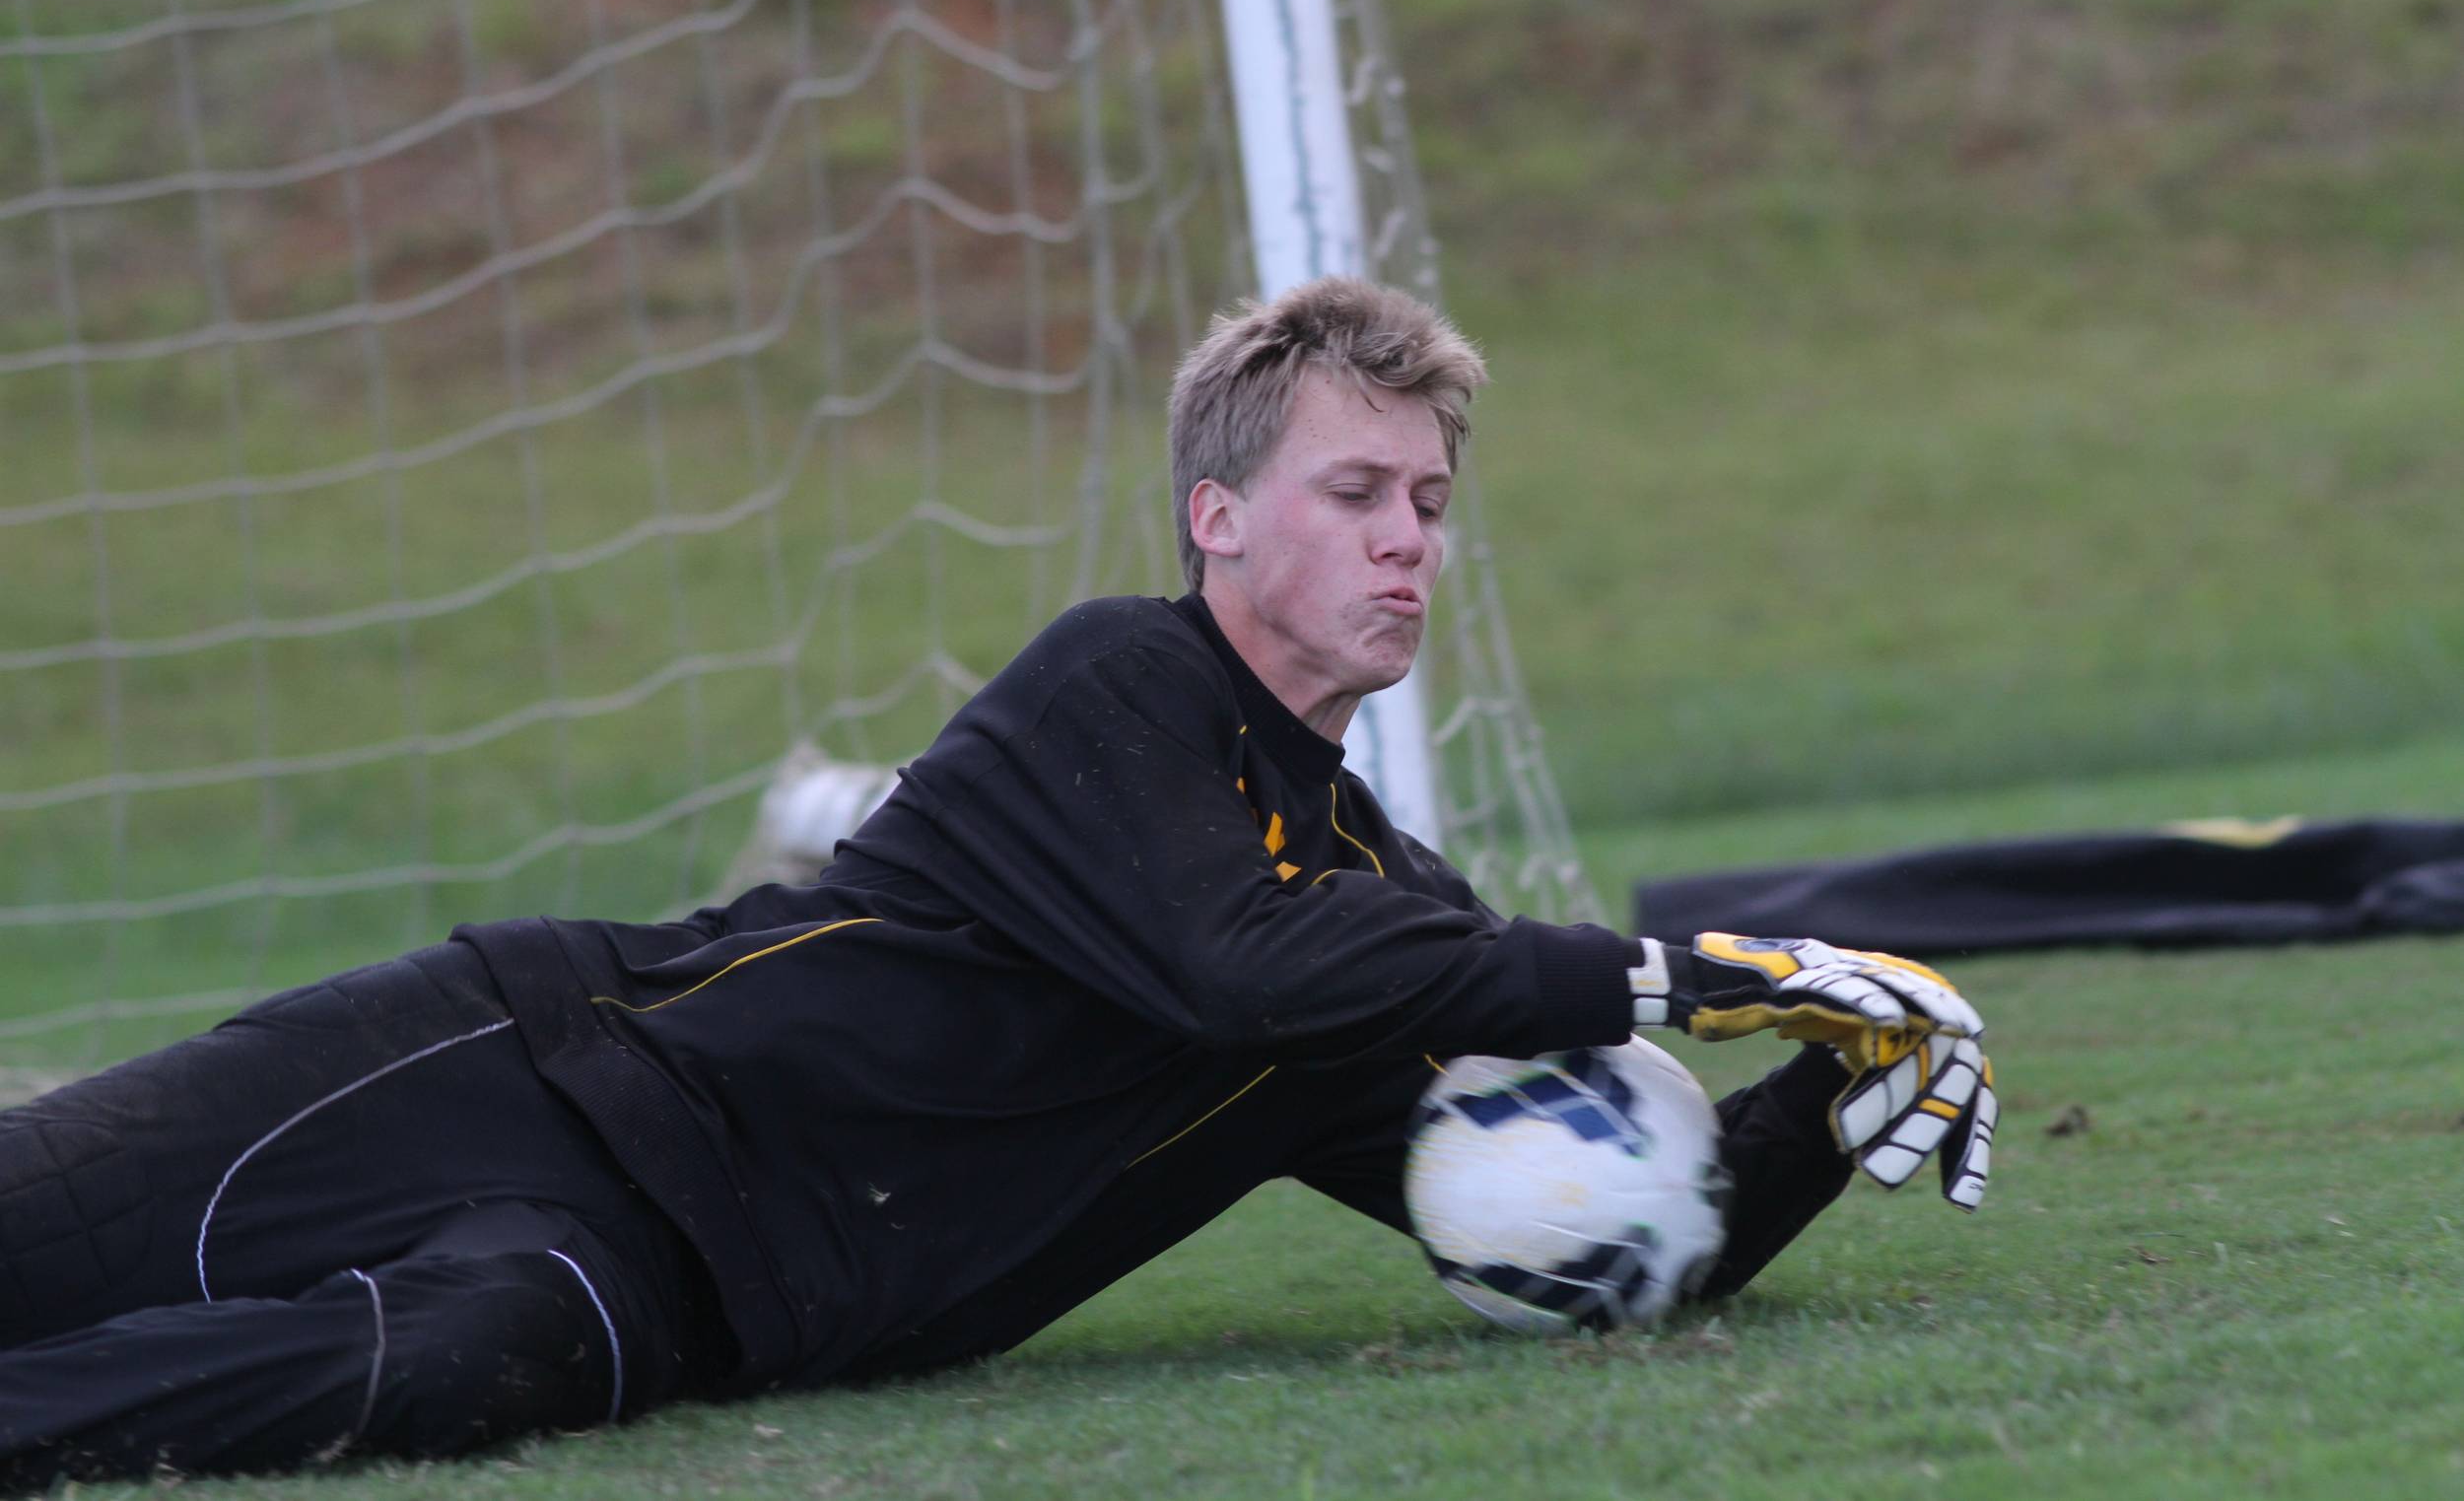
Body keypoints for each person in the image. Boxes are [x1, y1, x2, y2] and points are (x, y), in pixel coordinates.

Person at [0, 278, 1993, 1486]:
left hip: (683, 1293)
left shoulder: (1384, 924)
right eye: (1356, 493)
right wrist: (1712, 968)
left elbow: (1626, 1240)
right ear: (1215, 517)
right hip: (521, 1068)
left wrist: (1843, 1077)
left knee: (441, 1369)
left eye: (1432, 507)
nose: (1409, 544)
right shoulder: (1118, 682)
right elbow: (1241, 966)